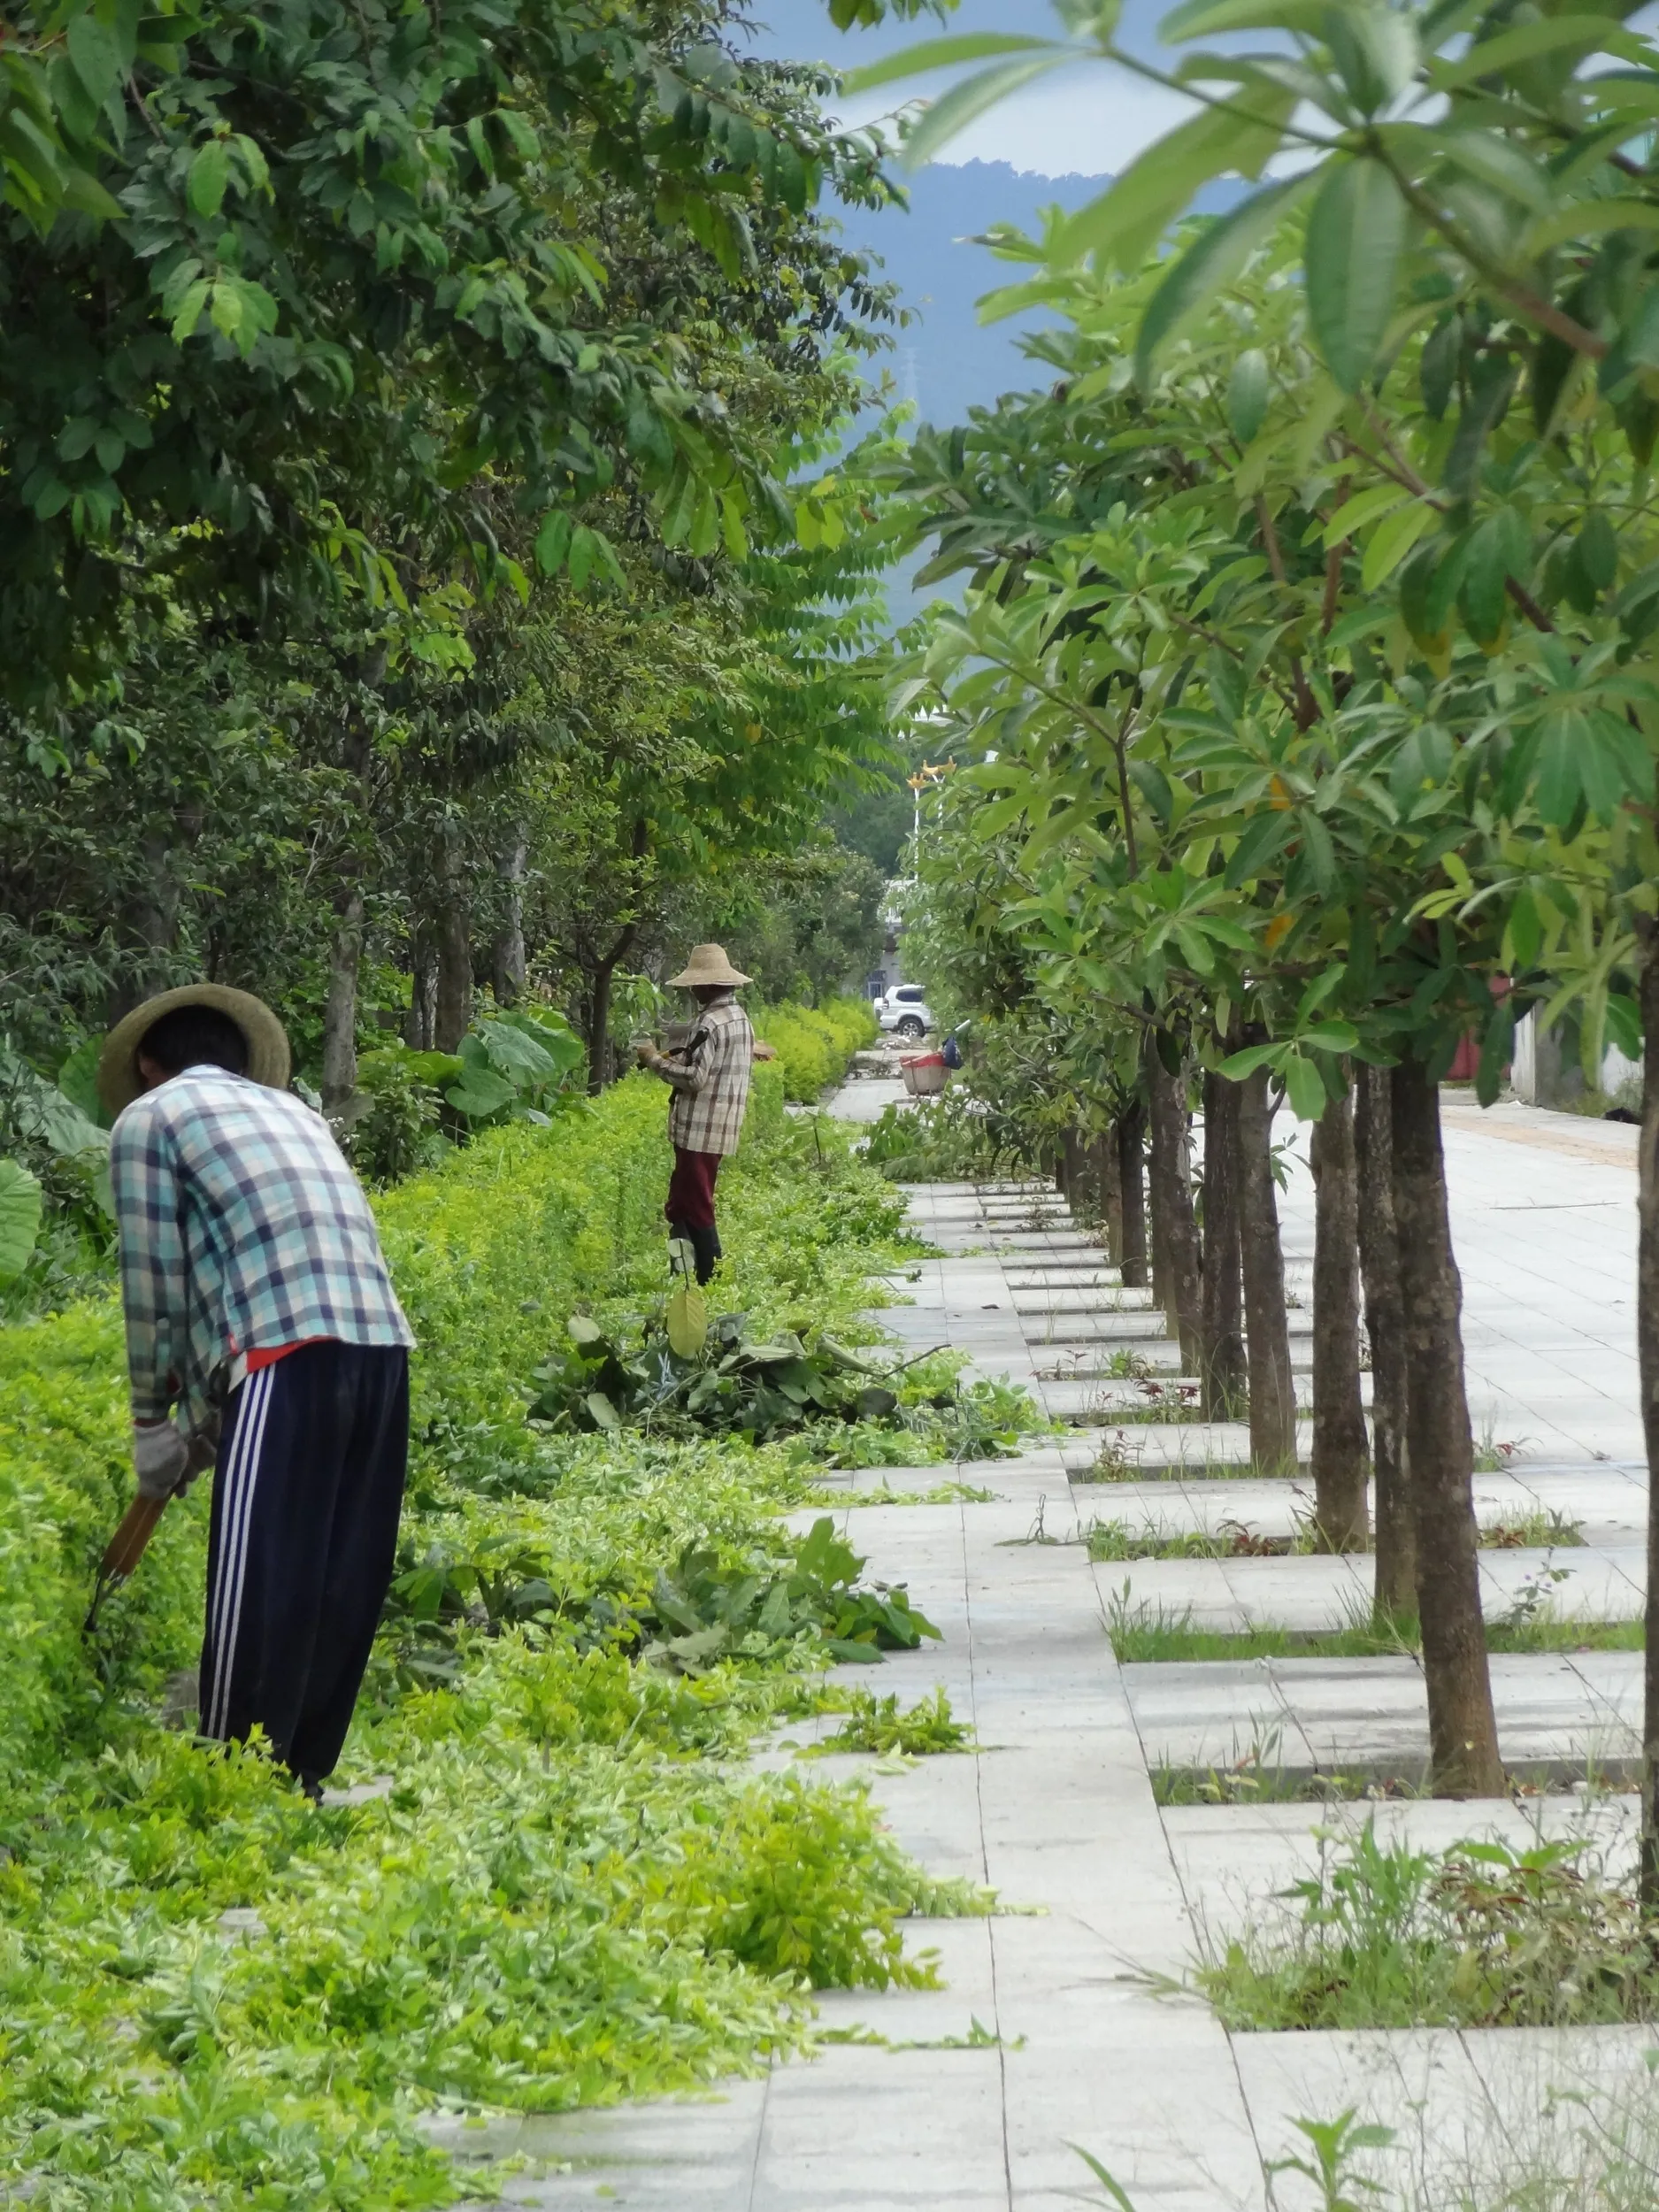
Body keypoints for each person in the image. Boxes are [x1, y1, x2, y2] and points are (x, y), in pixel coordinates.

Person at [100, 983, 414, 1794]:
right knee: (341, 1572)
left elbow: (155, 1287)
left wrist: (150, 1422)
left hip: (282, 1354)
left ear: (147, 1063)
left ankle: (231, 1785)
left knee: (261, 1574)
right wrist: (207, 1422)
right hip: (379, 1344)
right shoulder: (299, 1114)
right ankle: (301, 1776)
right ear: (241, 1059)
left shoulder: (152, 1118)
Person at [634, 944, 772, 1285]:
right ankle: (681, 1273)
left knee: (696, 1203)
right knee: (680, 1201)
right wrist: (672, 1058)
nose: (693, 990)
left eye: (696, 984)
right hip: (719, 1127)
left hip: (700, 1128)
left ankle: (711, 1278)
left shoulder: (710, 1021)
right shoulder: (739, 1017)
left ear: (711, 986)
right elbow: (709, 1063)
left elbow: (696, 1078)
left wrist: (654, 1061)